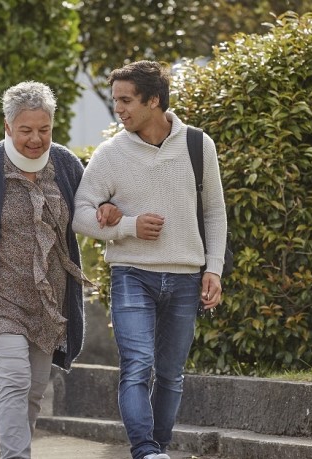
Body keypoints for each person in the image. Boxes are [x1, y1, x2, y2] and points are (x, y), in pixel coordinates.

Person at [0, 81, 119, 459]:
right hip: (1, 297)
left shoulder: (66, 164)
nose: (36, 139)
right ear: (7, 127)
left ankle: (19, 446)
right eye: (26, 130)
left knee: (35, 387)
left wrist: (109, 209)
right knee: (15, 378)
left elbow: (89, 207)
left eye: (44, 129)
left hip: (50, 298)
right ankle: (15, 456)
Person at [72, 61, 228, 459]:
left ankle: (158, 447)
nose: (119, 109)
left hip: (184, 277)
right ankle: (144, 449)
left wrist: (213, 269)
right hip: (131, 275)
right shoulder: (110, 154)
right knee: (137, 366)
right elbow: (80, 214)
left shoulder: (197, 144)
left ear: (153, 100)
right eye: (115, 101)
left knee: (171, 375)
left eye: (126, 100)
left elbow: (214, 211)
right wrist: (126, 226)